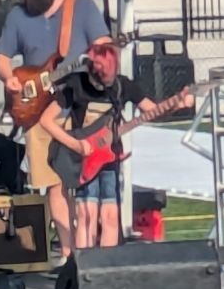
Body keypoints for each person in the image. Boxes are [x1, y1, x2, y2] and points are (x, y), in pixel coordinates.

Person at [0, 0, 110, 257]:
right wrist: (9, 77)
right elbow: (2, 57)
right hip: (39, 110)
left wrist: (100, 58)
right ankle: (69, 253)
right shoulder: (18, 15)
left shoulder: (82, 8)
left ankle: (95, 253)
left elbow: (103, 47)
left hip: (81, 107)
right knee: (54, 184)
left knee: (88, 181)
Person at [38, 39, 170, 249]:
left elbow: (152, 110)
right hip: (84, 159)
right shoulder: (76, 85)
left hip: (110, 157)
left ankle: (106, 262)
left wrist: (179, 102)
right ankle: (84, 262)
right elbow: (46, 120)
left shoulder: (122, 86)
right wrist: (76, 145)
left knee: (110, 216)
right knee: (86, 215)